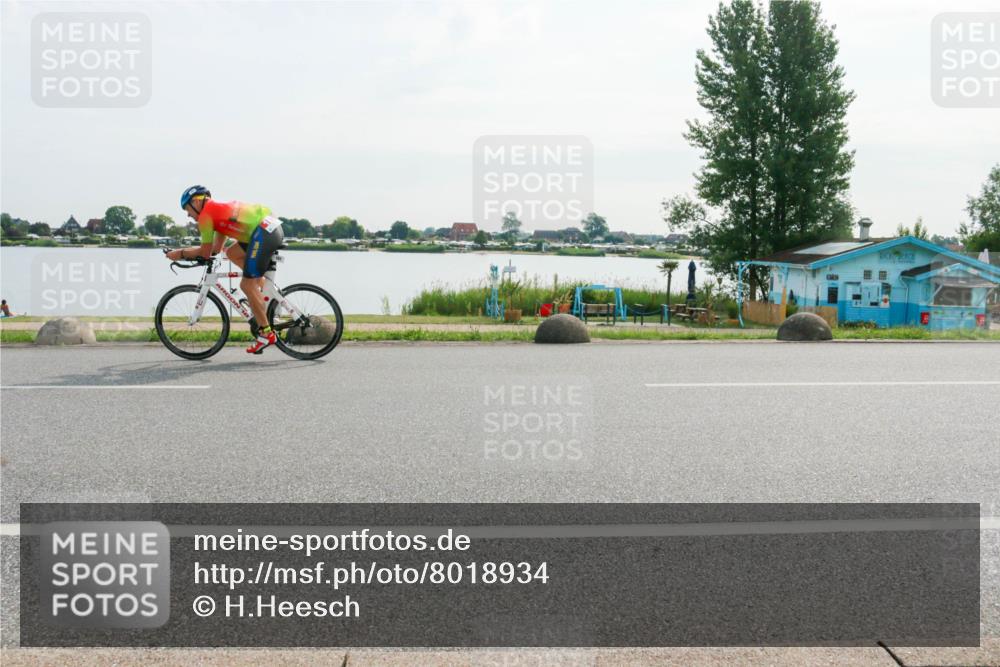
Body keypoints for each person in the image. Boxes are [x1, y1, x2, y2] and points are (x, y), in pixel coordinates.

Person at [167, 185, 285, 354]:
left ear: (195, 202)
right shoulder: (216, 212)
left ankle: (266, 333)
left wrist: (180, 254)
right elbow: (216, 249)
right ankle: (266, 293)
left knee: (246, 286)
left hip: (264, 232)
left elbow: (206, 252)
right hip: (266, 227)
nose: (188, 215)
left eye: (187, 209)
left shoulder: (206, 216)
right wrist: (196, 254)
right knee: (232, 253)